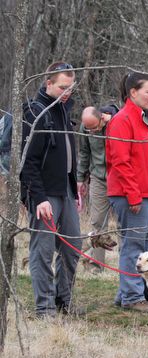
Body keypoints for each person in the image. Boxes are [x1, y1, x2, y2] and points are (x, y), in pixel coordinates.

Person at [19, 61, 82, 318]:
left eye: (71, 87)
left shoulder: (64, 109)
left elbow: (67, 154)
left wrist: (75, 189)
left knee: (72, 246)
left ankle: (63, 301)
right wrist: (39, 198)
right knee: (43, 251)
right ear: (48, 84)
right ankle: (44, 307)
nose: (67, 92)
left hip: (66, 190)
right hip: (44, 194)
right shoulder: (35, 112)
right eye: (62, 87)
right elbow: (27, 162)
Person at [106, 72, 148, 313]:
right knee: (134, 245)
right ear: (133, 92)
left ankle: (128, 292)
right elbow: (120, 162)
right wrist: (133, 195)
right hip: (131, 194)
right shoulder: (122, 120)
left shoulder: (145, 120)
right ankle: (132, 297)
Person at [77, 104, 119, 273]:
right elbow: (84, 153)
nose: (91, 131)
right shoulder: (86, 128)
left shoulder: (117, 123)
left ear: (102, 118)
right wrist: (80, 178)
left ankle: (128, 267)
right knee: (98, 223)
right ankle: (97, 266)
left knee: (124, 223)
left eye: (94, 128)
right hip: (98, 178)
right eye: (88, 129)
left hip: (119, 179)